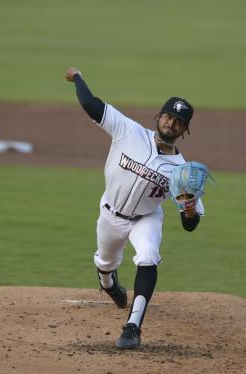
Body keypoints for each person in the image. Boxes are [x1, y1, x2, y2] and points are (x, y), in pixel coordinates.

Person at [65, 67, 205, 349]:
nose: (172, 124)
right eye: (169, 117)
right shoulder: (128, 130)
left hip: (146, 219)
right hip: (110, 214)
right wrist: (77, 77)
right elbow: (92, 105)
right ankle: (109, 284)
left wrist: (189, 211)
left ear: (186, 130)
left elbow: (190, 224)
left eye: (180, 122)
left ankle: (132, 327)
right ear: (159, 116)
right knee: (105, 263)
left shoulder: (182, 172)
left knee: (148, 255)